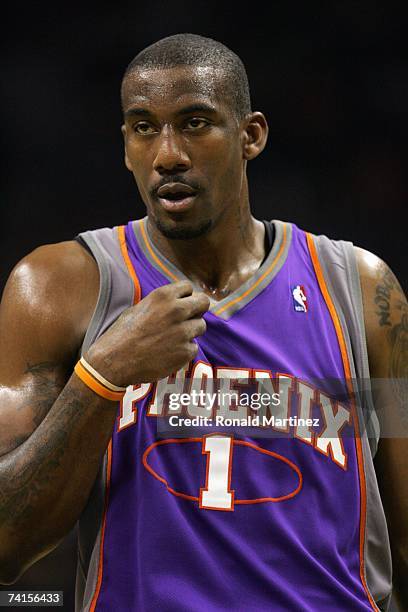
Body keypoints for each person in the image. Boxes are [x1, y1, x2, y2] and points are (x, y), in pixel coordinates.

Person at [0, 33, 406, 612]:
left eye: (195, 123)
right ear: (125, 146)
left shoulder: (362, 290)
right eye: (144, 128)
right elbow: (5, 545)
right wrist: (101, 377)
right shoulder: (56, 288)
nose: (168, 154)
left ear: (251, 136)